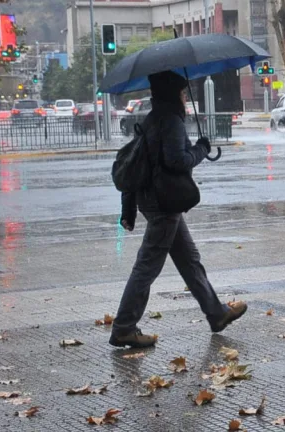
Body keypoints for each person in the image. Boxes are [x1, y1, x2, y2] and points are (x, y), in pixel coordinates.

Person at [111, 71, 247, 348]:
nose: (185, 98)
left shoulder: (153, 118)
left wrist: (129, 209)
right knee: (146, 267)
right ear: (174, 94)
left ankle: (216, 313)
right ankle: (124, 327)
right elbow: (177, 161)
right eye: (183, 93)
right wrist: (201, 149)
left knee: (189, 259)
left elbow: (143, 162)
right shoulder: (170, 121)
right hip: (164, 203)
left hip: (156, 201)